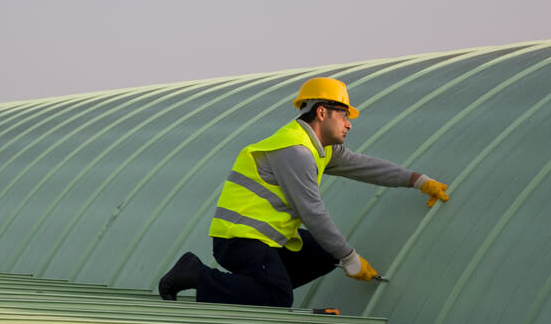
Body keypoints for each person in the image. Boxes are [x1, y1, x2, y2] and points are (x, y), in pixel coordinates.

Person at [158, 77, 450, 307]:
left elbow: (364, 166)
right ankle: (197, 275)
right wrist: (350, 258)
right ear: (322, 112)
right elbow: (312, 212)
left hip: (270, 238)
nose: (349, 123)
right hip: (239, 239)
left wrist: (417, 180)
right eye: (344, 114)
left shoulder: (319, 147)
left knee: (324, 254)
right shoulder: (295, 151)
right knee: (278, 297)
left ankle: (251, 288)